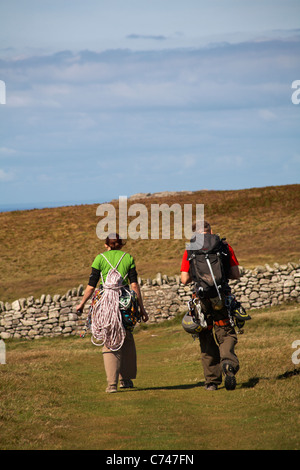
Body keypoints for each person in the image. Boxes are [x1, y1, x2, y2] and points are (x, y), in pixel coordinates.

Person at [76, 233, 148, 393]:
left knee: (109, 339)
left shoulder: (99, 259)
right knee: (126, 337)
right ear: (121, 245)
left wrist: (82, 304)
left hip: (105, 305)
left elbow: (91, 286)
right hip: (125, 304)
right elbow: (135, 286)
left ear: (106, 244)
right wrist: (142, 309)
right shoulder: (128, 258)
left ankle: (112, 385)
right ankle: (126, 380)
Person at [180, 221, 241, 391]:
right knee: (226, 332)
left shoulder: (190, 249)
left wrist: (199, 277)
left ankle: (212, 382)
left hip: (201, 299)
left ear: (195, 234)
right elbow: (236, 274)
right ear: (211, 231)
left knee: (206, 336)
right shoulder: (223, 246)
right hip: (222, 296)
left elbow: (184, 279)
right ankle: (228, 363)